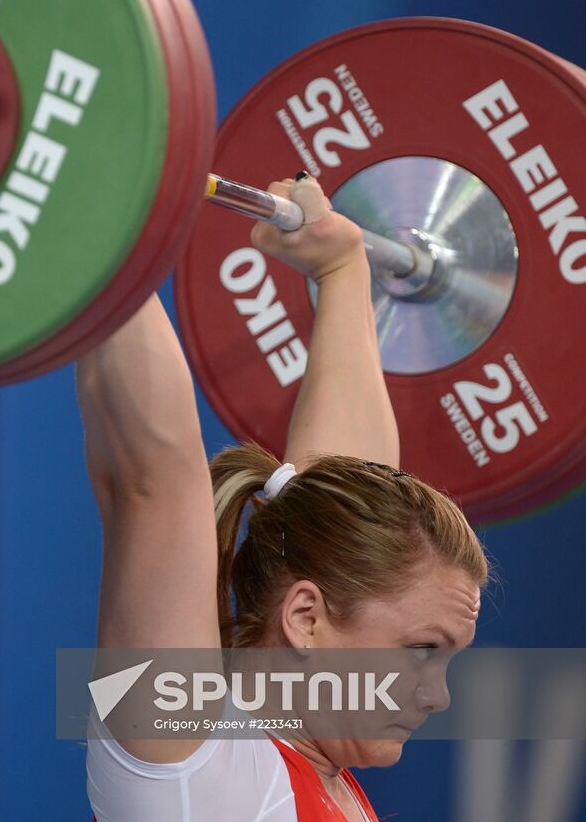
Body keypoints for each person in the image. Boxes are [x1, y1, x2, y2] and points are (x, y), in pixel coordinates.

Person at [78, 176, 487, 822]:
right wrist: (89, 211)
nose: (437, 696)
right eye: (420, 650)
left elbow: (342, 491)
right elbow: (152, 480)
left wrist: (342, 269)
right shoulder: (198, 772)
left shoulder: (319, 779)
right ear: (304, 618)